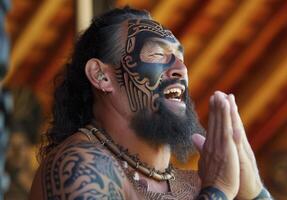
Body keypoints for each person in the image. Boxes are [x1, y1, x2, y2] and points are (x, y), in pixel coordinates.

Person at [29, 7, 272, 200]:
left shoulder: (194, 184)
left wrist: (254, 192)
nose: (180, 70)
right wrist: (218, 191)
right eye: (158, 55)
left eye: (180, 58)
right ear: (102, 76)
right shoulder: (80, 165)